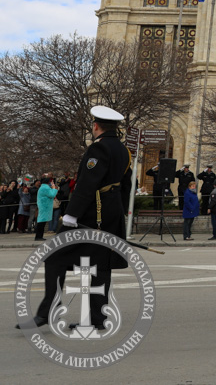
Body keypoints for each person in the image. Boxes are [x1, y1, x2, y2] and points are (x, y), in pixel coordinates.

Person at [23, 106, 132, 331]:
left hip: (92, 214)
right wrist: (119, 214)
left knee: (54, 256)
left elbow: (87, 184)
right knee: (102, 265)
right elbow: (127, 186)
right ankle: (98, 318)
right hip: (111, 214)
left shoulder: (99, 149)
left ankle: (48, 311)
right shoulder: (124, 151)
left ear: (96, 126)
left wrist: (71, 215)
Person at [34, 175, 58, 241]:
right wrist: (54, 188)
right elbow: (52, 195)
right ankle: (38, 236)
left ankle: (39, 236)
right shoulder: (45, 188)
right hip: (44, 206)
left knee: (42, 221)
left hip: (44, 206)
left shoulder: (43, 187)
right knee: (41, 222)